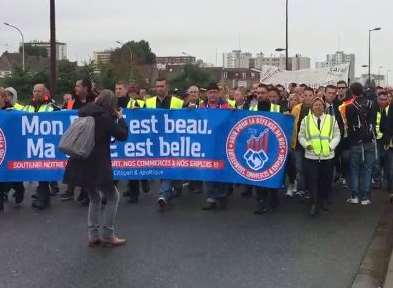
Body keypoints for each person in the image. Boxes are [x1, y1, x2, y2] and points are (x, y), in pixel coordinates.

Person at [63, 90, 129, 247]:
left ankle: (93, 235)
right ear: (111, 104)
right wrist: (120, 118)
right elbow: (122, 135)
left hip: (79, 161)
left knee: (94, 198)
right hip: (98, 164)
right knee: (113, 197)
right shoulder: (104, 119)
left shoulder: (84, 114)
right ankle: (108, 234)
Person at [145, 78, 184, 209]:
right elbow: (142, 118)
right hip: (157, 140)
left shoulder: (177, 102)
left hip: (173, 140)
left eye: (161, 86)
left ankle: (172, 189)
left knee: (172, 168)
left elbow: (187, 118)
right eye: (157, 86)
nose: (159, 89)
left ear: (167, 87)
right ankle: (164, 193)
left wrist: (190, 109)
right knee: (164, 167)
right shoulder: (149, 102)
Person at [298, 97, 341, 216]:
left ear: (324, 107)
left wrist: (331, 146)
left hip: (327, 156)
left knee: (325, 180)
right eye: (316, 105)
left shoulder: (331, 120)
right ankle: (314, 203)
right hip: (311, 156)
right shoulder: (306, 120)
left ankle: (323, 201)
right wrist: (306, 145)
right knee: (312, 180)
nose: (318, 107)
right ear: (311, 108)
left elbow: (337, 135)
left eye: (320, 105)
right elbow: (301, 136)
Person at [21, 84, 58, 209]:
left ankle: (43, 198)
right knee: (36, 172)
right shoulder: (26, 108)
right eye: (35, 91)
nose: (36, 93)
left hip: (46, 145)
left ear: (45, 93)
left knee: (43, 172)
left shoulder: (52, 108)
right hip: (31, 145)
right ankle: (43, 195)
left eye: (39, 91)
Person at [60, 79, 96, 204]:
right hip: (76, 138)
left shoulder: (95, 100)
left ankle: (85, 193)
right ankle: (70, 190)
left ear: (86, 88)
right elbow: (62, 115)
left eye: (78, 86)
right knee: (73, 163)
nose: (75, 88)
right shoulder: (71, 102)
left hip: (90, 138)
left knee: (88, 165)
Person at [200, 83, 231, 210]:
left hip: (222, 143)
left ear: (218, 93)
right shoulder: (201, 107)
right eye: (210, 92)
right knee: (208, 170)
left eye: (214, 92)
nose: (212, 94)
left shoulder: (226, 106)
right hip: (206, 143)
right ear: (207, 94)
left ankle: (222, 194)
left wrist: (233, 113)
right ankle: (211, 197)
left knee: (221, 169)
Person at [346, 83, 376, 205]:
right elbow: (373, 122)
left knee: (354, 169)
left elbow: (349, 125)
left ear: (352, 92)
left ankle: (355, 196)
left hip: (356, 142)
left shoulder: (350, 106)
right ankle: (365, 197)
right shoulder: (371, 104)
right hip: (369, 141)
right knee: (368, 169)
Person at [290, 88, 315, 196]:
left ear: (313, 96)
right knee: (300, 168)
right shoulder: (296, 108)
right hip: (298, 143)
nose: (308, 97)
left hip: (311, 144)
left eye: (310, 95)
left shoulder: (317, 108)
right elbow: (291, 123)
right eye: (306, 95)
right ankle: (301, 189)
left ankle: (310, 189)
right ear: (302, 96)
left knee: (311, 168)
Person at [371, 91, 389, 188]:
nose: (383, 101)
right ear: (377, 99)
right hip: (375, 139)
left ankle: (387, 181)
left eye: (385, 99)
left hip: (387, 139)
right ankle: (377, 180)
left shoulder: (389, 109)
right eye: (381, 99)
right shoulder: (373, 108)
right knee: (376, 161)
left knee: (387, 160)